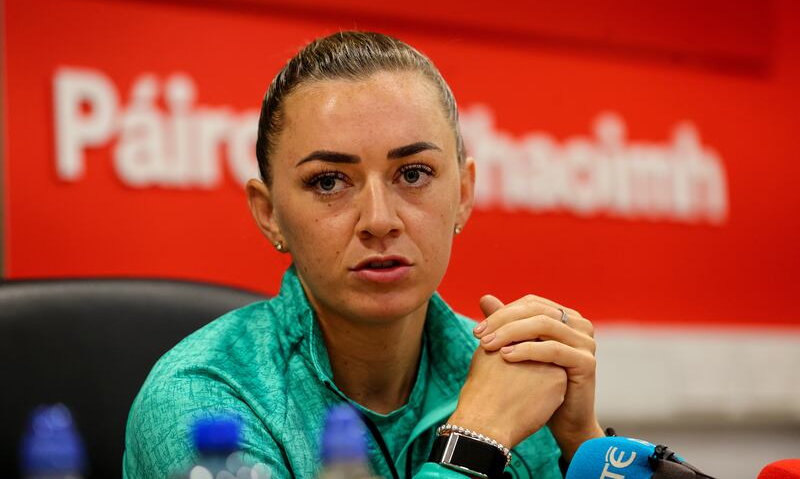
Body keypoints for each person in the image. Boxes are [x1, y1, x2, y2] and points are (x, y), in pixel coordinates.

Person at [123, 31, 603, 479]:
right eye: (328, 181)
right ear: (269, 214)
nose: (378, 219)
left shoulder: (513, 371)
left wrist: (582, 445)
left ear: (463, 193)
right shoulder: (202, 403)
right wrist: (476, 439)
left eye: (413, 174)